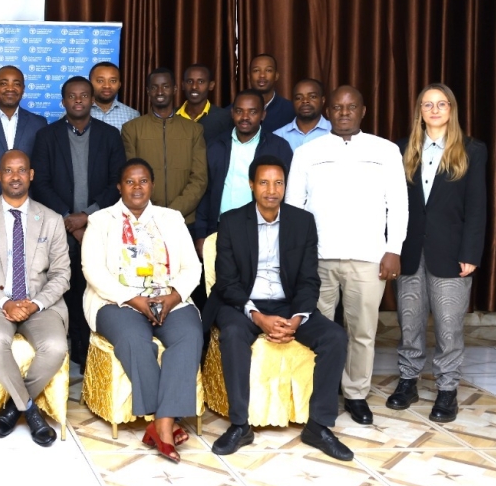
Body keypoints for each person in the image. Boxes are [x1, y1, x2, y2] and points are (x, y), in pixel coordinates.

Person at [206, 155, 352, 461]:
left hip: (289, 304)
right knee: (233, 333)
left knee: (335, 336)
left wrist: (297, 319)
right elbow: (227, 282)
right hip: (243, 302)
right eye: (264, 182)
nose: (271, 190)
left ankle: (318, 426)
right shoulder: (232, 221)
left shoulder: (302, 222)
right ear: (251, 185)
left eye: (278, 183)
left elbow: (309, 280)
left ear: (285, 186)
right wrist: (258, 317)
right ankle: (240, 425)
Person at [287, 85, 408, 426]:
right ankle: (318, 392)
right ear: (328, 112)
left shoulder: (385, 151)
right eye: (337, 107)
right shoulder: (307, 152)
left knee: (362, 331)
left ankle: (355, 394)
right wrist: (298, 258)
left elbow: (399, 204)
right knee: (315, 329)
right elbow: (294, 208)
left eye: (351, 107)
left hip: (368, 256)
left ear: (362, 111)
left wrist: (394, 249)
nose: (343, 113)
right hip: (318, 258)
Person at [82, 158, 203, 463]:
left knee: (189, 335)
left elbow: (192, 267)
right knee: (134, 339)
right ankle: (166, 425)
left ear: (152, 185)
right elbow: (92, 270)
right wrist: (133, 299)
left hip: (168, 299)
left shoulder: (172, 219)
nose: (137, 187)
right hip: (117, 301)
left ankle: (160, 423)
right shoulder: (100, 221)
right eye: (130, 182)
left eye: (143, 181)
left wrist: (173, 298)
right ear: (119, 186)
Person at [387, 84, 487, 424]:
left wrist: (471, 252)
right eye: (427, 104)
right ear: (419, 110)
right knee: (409, 321)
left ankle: (447, 389)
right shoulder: (402, 149)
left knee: (448, 326)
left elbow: (477, 207)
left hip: (452, 252)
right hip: (409, 249)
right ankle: (408, 381)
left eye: (441, 104)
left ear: (451, 109)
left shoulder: (472, 150)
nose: (434, 110)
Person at [0, 150, 70, 447]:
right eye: (8, 170)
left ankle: (13, 408)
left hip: (40, 304)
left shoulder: (51, 220)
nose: (15, 176)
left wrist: (35, 304)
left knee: (56, 346)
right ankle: (31, 412)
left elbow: (62, 274)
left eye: (22, 170)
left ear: (31, 175)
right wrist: (4, 302)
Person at [30, 76, 125, 366]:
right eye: (72, 96)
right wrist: (68, 219)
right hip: (59, 227)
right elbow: (40, 183)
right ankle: (68, 342)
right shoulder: (47, 136)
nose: (79, 100)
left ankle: (88, 347)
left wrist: (88, 216)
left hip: (99, 225)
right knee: (65, 285)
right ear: (63, 101)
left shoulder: (110, 135)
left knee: (94, 284)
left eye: (84, 95)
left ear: (92, 100)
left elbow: (116, 181)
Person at [194, 90, 293, 246]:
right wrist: (201, 233)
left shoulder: (279, 147)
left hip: (264, 231)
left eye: (252, 112)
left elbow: (287, 193)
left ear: (263, 115)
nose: (245, 117)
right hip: (220, 229)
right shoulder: (216, 145)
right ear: (232, 113)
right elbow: (205, 192)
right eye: (239, 111)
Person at [121, 68, 207, 225]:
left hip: (183, 220)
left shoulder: (194, 130)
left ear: (174, 89)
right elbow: (130, 178)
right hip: (144, 219)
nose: (160, 92)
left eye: (165, 86)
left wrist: (172, 212)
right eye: (154, 87)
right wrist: (151, 212)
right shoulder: (131, 129)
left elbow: (199, 179)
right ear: (148, 91)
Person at [0, 65, 47, 199]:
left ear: (23, 89)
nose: (10, 88)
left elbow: (42, 169)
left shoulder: (38, 123)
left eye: (16, 84)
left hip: (27, 203)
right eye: (4, 83)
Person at [178, 63, 233, 145]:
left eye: (201, 81)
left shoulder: (225, 118)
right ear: (183, 85)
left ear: (211, 85)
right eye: (189, 81)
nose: (194, 87)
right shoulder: (170, 116)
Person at [274, 78, 332, 152]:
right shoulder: (278, 136)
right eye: (298, 98)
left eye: (312, 96)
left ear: (323, 100)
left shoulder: (335, 131)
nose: (305, 101)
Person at [246, 54, 295, 133]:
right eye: (256, 70)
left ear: (276, 76)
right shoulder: (234, 112)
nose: (262, 75)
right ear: (249, 76)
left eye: (268, 70)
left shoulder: (291, 110)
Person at [88, 61, 139, 131]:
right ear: (89, 84)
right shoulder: (78, 113)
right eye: (100, 81)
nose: (107, 86)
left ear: (119, 85)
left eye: (113, 81)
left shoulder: (132, 115)